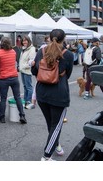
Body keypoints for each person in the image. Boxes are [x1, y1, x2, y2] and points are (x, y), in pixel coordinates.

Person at [31, 29, 74, 161]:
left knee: (51, 124)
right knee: (56, 125)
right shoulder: (68, 55)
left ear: (49, 38)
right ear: (64, 39)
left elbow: (34, 71)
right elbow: (68, 75)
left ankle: (56, 145)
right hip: (59, 93)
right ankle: (46, 156)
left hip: (42, 92)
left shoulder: (41, 51)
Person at [0, 36, 27, 124]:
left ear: (1, 43)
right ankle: (22, 115)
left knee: (3, 98)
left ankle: (2, 117)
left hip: (4, 78)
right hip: (14, 77)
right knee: (17, 97)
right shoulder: (13, 52)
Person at [18, 35, 36, 109]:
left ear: (28, 41)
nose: (24, 42)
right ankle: (25, 101)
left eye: (26, 40)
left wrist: (23, 66)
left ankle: (29, 102)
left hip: (27, 71)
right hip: (22, 70)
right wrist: (20, 67)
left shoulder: (31, 49)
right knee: (25, 86)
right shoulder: (24, 49)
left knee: (28, 87)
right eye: (23, 41)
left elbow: (32, 62)